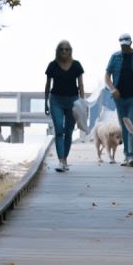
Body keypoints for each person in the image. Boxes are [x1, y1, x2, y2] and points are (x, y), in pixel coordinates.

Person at [104, 33, 133, 167]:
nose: (124, 47)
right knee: (124, 126)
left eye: (126, 45)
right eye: (122, 45)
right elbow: (107, 76)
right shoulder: (115, 57)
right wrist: (113, 89)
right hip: (119, 98)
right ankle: (126, 155)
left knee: (132, 125)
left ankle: (131, 156)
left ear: (131, 43)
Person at [45, 40, 85, 172]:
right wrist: (46, 102)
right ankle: (61, 161)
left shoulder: (77, 65)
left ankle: (65, 159)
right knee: (58, 130)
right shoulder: (52, 65)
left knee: (68, 131)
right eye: (61, 49)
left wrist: (82, 102)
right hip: (56, 100)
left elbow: (81, 85)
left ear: (70, 51)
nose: (64, 51)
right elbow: (48, 85)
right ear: (57, 51)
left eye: (67, 49)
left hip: (73, 101)